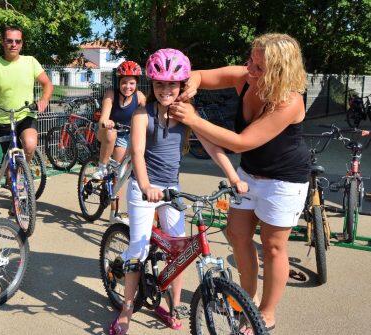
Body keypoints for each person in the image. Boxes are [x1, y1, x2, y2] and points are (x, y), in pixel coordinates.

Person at [171, 33, 310, 332]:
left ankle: (267, 312)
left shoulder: (289, 100)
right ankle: (247, 297)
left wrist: (193, 120)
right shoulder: (245, 77)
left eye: (259, 66)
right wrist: (191, 84)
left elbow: (241, 142)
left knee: (273, 247)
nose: (250, 69)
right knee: (236, 234)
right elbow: (197, 75)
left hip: (284, 180)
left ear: (279, 70)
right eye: (250, 60)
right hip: (249, 173)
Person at [109, 48, 246, 335]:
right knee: (138, 250)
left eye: (172, 84)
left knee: (180, 252)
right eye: (159, 84)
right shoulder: (141, 115)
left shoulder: (186, 113)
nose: (165, 90)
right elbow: (137, 153)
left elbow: (210, 144)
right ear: (152, 85)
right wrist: (146, 186)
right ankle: (126, 309)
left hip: (172, 189)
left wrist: (233, 177)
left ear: (182, 85)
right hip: (143, 189)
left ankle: (172, 306)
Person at [0, 25, 53, 164]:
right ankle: (12, 177)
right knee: (9, 164)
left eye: (18, 41)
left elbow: (47, 84)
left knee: (30, 144)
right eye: (9, 41)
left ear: (22, 43)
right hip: (4, 118)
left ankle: (23, 173)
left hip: (26, 114)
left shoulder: (31, 61)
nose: (14, 44)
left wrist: (44, 99)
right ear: (3, 42)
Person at [92, 60, 147, 180]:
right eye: (124, 82)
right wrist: (106, 122)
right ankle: (102, 167)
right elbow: (103, 119)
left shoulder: (140, 96)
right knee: (111, 133)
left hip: (124, 136)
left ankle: (113, 197)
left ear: (136, 84)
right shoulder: (111, 94)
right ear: (119, 82)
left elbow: (149, 115)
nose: (128, 87)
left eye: (132, 83)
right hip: (105, 131)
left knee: (120, 173)